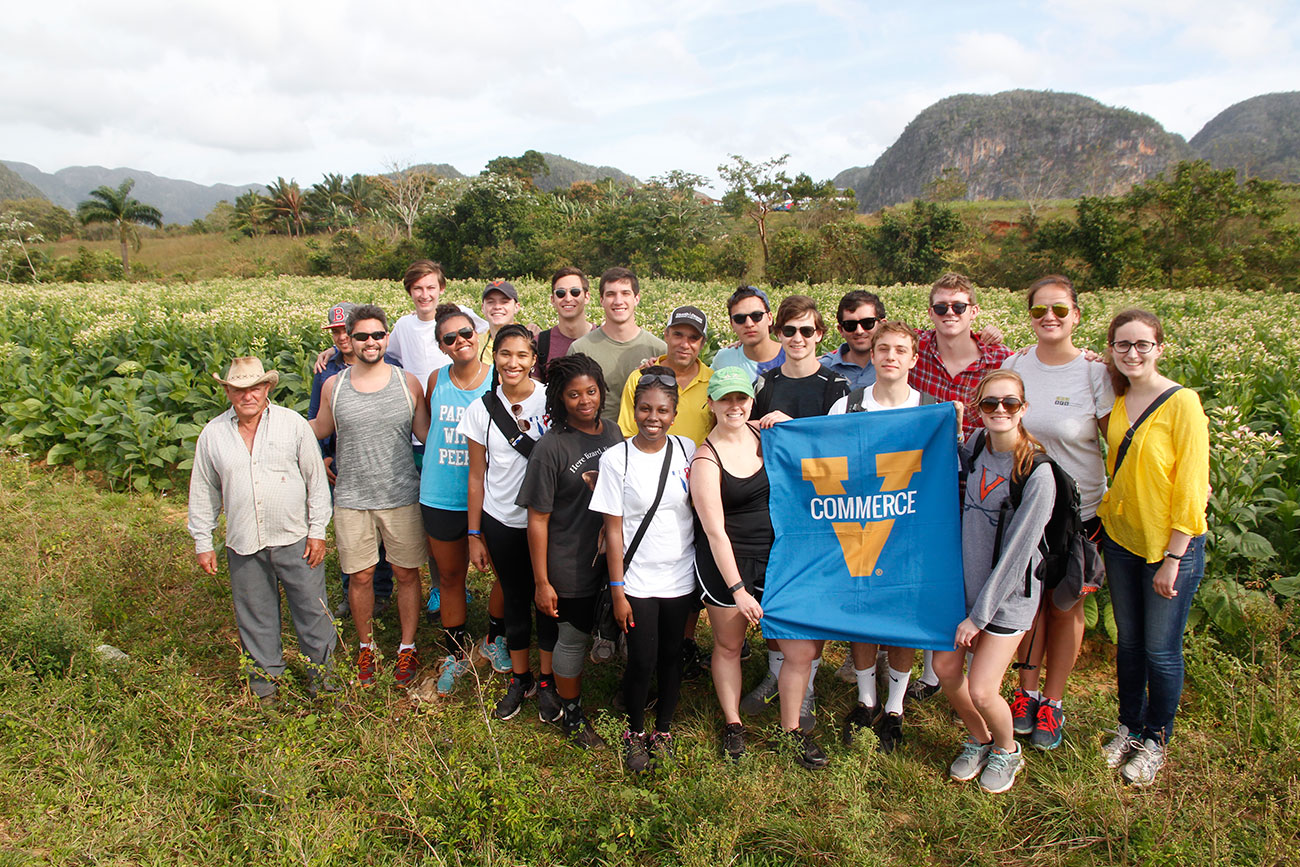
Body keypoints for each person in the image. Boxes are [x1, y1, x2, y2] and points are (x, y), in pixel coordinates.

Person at [692, 367, 827, 768]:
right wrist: (738, 590)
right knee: (730, 645)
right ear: (711, 403)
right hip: (726, 563)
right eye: (725, 398)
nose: (734, 405)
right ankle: (733, 724)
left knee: (798, 650)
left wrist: (792, 425)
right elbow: (714, 533)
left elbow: (819, 452)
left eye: (741, 398)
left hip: (777, 557)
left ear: (751, 400)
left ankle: (791, 730)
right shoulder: (705, 458)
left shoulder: (765, 433)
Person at [1000, 276, 1114, 750]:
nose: (1049, 318)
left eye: (1060, 311)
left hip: (1080, 511)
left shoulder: (1094, 373)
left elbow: (1118, 442)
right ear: (1029, 316)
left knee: (1065, 606)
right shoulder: (1015, 364)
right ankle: (1024, 694)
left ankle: (1053, 701)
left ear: (1076, 316)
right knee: (1028, 605)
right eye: (1040, 310)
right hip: (1027, 507)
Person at [1097, 309, 1208, 787]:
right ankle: (1129, 727)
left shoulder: (1182, 403)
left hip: (1169, 548)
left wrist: (1175, 556)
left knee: (1161, 651)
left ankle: (1156, 739)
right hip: (1123, 541)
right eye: (1123, 345)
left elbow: (1191, 487)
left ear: (1160, 348)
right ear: (1112, 351)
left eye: (1142, 344)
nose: (1133, 353)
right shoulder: (1120, 401)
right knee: (1129, 642)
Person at [934, 370, 1055, 794]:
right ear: (978, 408)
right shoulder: (978, 445)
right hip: (964, 589)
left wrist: (979, 618)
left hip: (1007, 600)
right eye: (989, 404)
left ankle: (1007, 750)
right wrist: (947, 423)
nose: (999, 411)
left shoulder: (1038, 474)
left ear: (1024, 408)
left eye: (1009, 404)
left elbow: (1017, 556)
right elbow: (946, 462)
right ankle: (979, 738)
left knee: (983, 690)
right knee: (945, 670)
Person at [189, 356, 334, 706]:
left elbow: (316, 481)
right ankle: (266, 687)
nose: (247, 395)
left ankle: (326, 682)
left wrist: (317, 531)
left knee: (313, 611)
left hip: (295, 536)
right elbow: (204, 489)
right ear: (227, 392)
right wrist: (202, 541)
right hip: (243, 540)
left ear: (267, 388)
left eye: (254, 387)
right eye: (238, 389)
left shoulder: (292, 424)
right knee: (255, 615)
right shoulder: (213, 434)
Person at [828, 321, 939, 753]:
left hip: (909, 532)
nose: (891, 356)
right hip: (858, 527)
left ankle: (895, 708)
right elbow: (828, 461)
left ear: (913, 358)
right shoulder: (848, 406)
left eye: (900, 350)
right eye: (883, 349)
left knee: (901, 622)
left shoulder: (932, 409)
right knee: (862, 615)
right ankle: (864, 699)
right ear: (871, 355)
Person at [309, 305, 432, 687]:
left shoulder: (407, 382)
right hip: (351, 498)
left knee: (406, 574)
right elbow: (319, 427)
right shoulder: (334, 386)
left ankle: (407, 648)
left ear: (386, 338)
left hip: (400, 495)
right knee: (359, 577)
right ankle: (366, 646)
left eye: (378, 335)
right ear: (350, 338)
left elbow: (428, 434)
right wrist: (271, 419)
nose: (370, 342)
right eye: (362, 336)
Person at [742, 294, 849, 727]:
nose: (798, 338)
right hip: (776, 503)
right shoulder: (764, 384)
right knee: (776, 589)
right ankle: (775, 674)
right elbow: (748, 439)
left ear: (820, 334)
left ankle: (806, 685)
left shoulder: (836, 386)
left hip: (821, 504)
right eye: (790, 330)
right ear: (778, 333)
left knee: (814, 594)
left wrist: (795, 428)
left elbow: (841, 447)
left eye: (807, 330)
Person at [906, 272, 1012, 701]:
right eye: (941, 307)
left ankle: (972, 671)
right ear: (929, 312)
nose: (950, 314)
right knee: (935, 574)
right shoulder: (918, 349)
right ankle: (935, 672)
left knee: (974, 571)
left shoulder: (1000, 357)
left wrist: (1093, 360)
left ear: (974, 311)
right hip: (928, 484)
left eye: (959, 307)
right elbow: (863, 342)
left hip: (981, 484)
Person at [592, 367, 697, 772]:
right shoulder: (615, 458)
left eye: (663, 410)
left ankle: (664, 729)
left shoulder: (689, 451)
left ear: (674, 413)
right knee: (641, 658)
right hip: (636, 578)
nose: (654, 417)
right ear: (634, 409)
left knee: (672, 657)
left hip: (680, 576)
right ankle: (634, 731)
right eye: (645, 408)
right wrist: (618, 591)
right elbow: (613, 531)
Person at [517, 353, 622, 747]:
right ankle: (571, 712)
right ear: (559, 398)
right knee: (572, 637)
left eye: (591, 391)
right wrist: (542, 581)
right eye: (574, 394)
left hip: (609, 557)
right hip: (569, 560)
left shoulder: (613, 434)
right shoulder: (551, 448)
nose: (585, 401)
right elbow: (538, 520)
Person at [459, 325, 557, 721]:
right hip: (502, 520)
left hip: (550, 522)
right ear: (493, 356)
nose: (512, 363)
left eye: (521, 355)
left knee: (550, 602)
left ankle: (549, 680)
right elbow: (475, 476)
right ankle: (521, 677)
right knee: (515, 600)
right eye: (504, 354)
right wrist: (474, 534)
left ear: (534, 360)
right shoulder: (479, 410)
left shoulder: (554, 400)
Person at [420, 305, 493, 695]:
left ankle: (496, 639)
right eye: (450, 338)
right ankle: (455, 650)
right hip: (441, 493)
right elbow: (428, 428)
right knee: (450, 576)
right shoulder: (436, 380)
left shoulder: (499, 378)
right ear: (442, 346)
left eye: (466, 333)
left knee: (502, 572)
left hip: (491, 495)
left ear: (477, 335)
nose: (461, 341)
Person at [308, 301, 394, 618]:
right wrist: (325, 457)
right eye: (336, 332)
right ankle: (351, 592)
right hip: (344, 465)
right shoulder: (325, 373)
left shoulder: (389, 363)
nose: (343, 338)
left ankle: (382, 592)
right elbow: (317, 420)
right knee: (352, 537)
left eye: (346, 331)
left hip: (385, 465)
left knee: (385, 538)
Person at [567, 267, 667, 423]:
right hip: (596, 441)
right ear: (601, 300)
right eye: (611, 294)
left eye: (625, 293)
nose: (618, 301)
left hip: (645, 440)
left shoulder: (659, 349)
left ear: (637, 298)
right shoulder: (580, 349)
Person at [617, 305, 713, 445]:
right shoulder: (639, 378)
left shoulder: (714, 382)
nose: (685, 344)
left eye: (693, 338)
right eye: (678, 335)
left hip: (699, 465)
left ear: (703, 343)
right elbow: (627, 434)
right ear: (666, 335)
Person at [710, 285, 784, 383]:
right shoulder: (724, 359)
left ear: (770, 318)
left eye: (756, 316)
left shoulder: (793, 355)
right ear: (732, 324)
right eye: (739, 319)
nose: (749, 324)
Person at [534, 267, 595, 381]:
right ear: (553, 299)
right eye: (561, 293)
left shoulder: (603, 338)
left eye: (575, 292)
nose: (568, 298)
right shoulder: (540, 343)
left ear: (587, 297)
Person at [819, 289, 885, 390]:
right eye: (850, 325)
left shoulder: (894, 366)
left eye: (867, 323)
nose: (859, 331)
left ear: (882, 325)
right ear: (841, 330)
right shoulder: (823, 369)